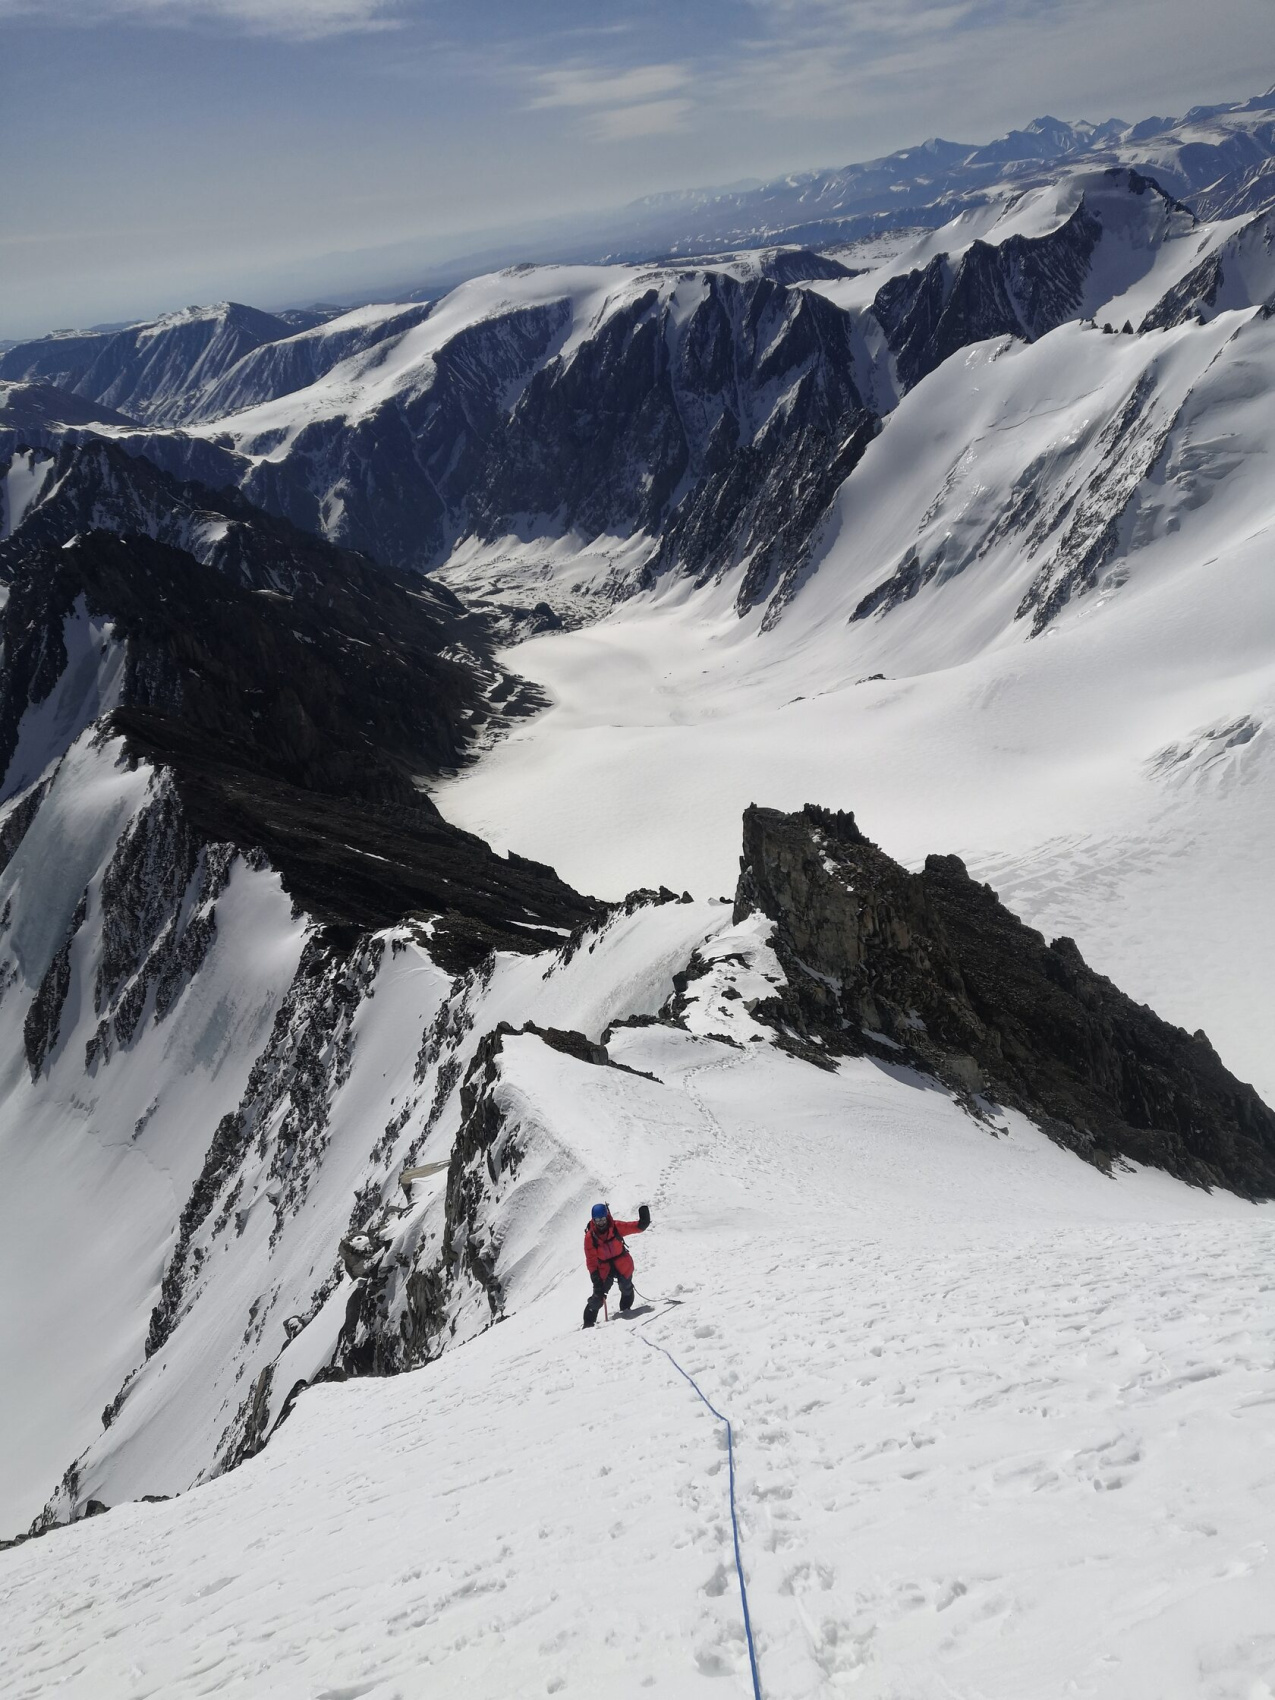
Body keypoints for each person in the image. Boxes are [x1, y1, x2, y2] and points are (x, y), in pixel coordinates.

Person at [582, 1201, 651, 1327]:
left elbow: (633, 1227)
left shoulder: (615, 1227)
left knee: (626, 1287)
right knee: (598, 1296)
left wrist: (643, 1222)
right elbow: (591, 1261)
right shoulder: (590, 1237)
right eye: (597, 1220)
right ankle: (588, 1323)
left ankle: (625, 1311)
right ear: (593, 1220)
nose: (601, 1223)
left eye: (603, 1219)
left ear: (607, 1217)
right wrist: (596, 1281)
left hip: (622, 1262)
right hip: (604, 1268)